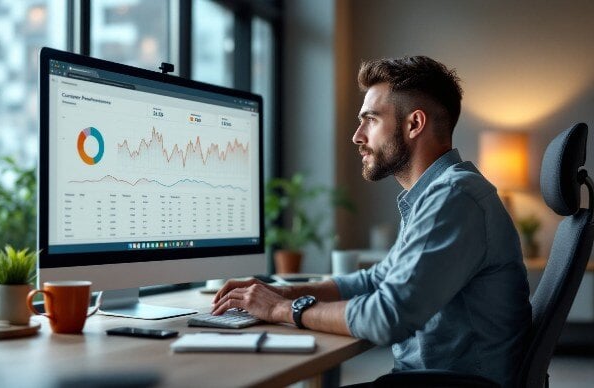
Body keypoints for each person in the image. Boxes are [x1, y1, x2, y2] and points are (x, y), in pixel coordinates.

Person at [212, 55, 531, 387]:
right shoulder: (436, 195)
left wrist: (282, 309)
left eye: (371, 120)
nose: (357, 136)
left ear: (414, 124)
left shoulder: (454, 197)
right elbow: (375, 280)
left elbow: (386, 317)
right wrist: (279, 292)